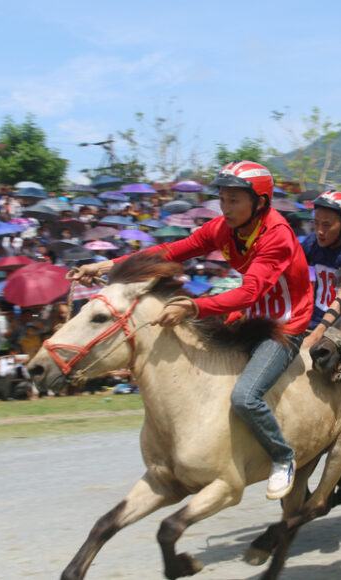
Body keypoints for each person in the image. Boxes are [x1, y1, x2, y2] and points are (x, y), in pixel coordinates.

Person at [73, 160, 314, 500]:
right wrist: (110, 265)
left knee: (245, 396)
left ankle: (283, 456)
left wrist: (193, 305)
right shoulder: (223, 228)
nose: (225, 208)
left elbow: (249, 292)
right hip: (247, 317)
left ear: (259, 202)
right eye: (223, 199)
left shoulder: (277, 236)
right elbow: (171, 251)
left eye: (234, 201)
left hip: (284, 325)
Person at [300, 191, 341, 349]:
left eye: (327, 225)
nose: (319, 231)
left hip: (338, 329)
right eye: (316, 223)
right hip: (311, 320)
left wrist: (315, 336)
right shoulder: (312, 242)